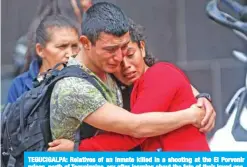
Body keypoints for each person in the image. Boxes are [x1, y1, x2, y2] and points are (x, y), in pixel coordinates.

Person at [49, 2, 215, 147]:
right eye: (111, 50)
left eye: (126, 51)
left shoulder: (109, 68)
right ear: (86, 43)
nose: (121, 59)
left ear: (141, 47)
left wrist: (202, 97)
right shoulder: (74, 87)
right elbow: (136, 127)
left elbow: (166, 79)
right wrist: (191, 115)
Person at [7, 0, 83, 103]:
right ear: (40, 50)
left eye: (74, 46)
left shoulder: (85, 81)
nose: (70, 54)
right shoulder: (20, 85)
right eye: (62, 46)